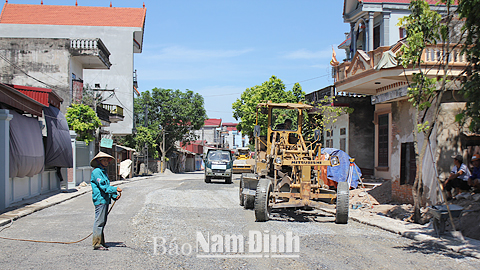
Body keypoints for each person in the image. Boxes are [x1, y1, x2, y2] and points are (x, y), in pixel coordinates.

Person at [90, 151, 122, 251]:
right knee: (99, 221)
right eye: (104, 160)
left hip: (105, 199)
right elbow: (103, 186)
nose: (106, 162)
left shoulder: (103, 172)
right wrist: (115, 189)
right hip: (100, 199)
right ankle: (97, 243)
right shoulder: (96, 172)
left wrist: (114, 196)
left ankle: (101, 242)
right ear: (99, 161)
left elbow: (107, 186)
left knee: (102, 221)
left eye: (106, 160)